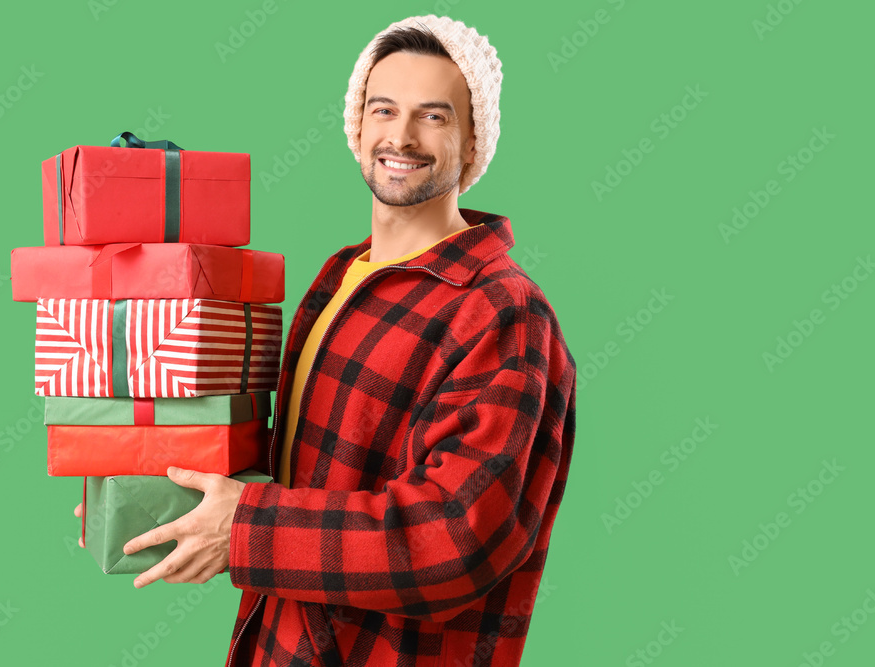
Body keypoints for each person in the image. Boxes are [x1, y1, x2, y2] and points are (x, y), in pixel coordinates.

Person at [76, 14, 577, 666]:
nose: (400, 135)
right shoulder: (342, 275)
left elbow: (453, 537)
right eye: (383, 109)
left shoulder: (502, 313)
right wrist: (142, 492)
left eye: (433, 116)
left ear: (473, 137)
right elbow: (297, 475)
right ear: (359, 126)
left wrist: (246, 530)